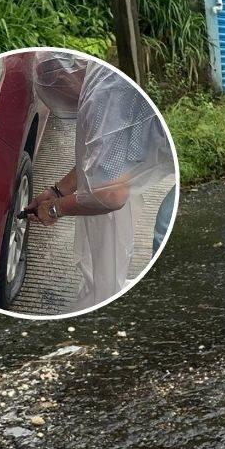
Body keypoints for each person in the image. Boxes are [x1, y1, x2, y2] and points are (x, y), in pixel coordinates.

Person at [27, 53, 174, 311]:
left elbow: (111, 194)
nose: (67, 101)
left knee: (164, 229)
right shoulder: (99, 79)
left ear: (65, 74)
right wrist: (56, 191)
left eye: (61, 92)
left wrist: (55, 210)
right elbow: (99, 160)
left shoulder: (102, 97)